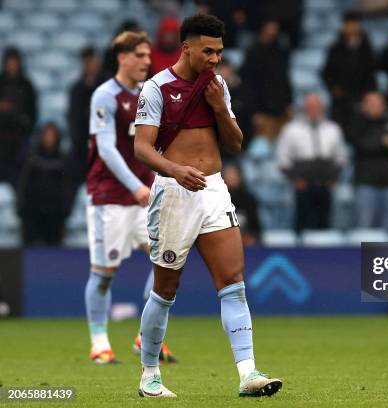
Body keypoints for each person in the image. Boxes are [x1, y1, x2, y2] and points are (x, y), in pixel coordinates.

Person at [134, 14, 282, 398]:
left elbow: (235, 143)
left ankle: (248, 374)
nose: (216, 58)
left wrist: (219, 107)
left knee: (233, 284)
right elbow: (142, 148)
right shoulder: (157, 88)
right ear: (186, 47)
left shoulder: (217, 87)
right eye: (208, 51)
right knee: (165, 290)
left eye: (219, 51)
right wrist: (175, 170)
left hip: (214, 190)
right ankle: (150, 374)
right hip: (173, 193)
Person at [84, 31, 176, 365]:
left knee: (166, 260)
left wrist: (153, 181)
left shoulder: (147, 94)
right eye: (139, 55)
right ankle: (99, 345)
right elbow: (106, 148)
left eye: (148, 56)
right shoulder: (105, 96)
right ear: (122, 57)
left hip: (143, 195)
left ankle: (146, 337)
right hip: (109, 197)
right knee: (104, 274)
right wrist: (134, 185)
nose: (147, 62)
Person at [277, 93, 347, 232]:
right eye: (310, 107)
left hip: (325, 183)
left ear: (322, 108)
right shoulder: (292, 129)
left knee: (324, 221)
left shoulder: (333, 129)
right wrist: (294, 178)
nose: (313, 110)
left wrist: (333, 178)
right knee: (302, 221)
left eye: (316, 107)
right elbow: (282, 156)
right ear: (304, 108)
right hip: (302, 183)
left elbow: (341, 156)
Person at [347, 92, 388, 230]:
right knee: (364, 225)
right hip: (365, 182)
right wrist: (382, 141)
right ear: (364, 106)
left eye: (377, 103)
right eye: (370, 103)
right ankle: (362, 253)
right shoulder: (357, 122)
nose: (374, 107)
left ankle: (383, 253)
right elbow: (360, 145)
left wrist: (379, 143)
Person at [322, 11, 377, 132]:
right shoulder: (335, 49)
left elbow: (371, 74)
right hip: (340, 103)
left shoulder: (367, 49)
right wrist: (334, 89)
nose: (351, 28)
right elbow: (326, 73)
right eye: (348, 24)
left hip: (361, 101)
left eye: (354, 24)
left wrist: (368, 95)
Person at [17, 123, 70, 245]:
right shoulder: (31, 159)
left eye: (52, 135)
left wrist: (65, 211)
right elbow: (24, 185)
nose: (49, 138)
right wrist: (22, 210)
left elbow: (67, 187)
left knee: (54, 252)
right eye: (47, 135)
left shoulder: (63, 160)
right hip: (33, 213)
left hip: (56, 215)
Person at [0, 47, 37, 185]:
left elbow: (32, 114)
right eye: (9, 62)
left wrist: (15, 112)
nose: (12, 65)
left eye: (14, 62)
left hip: (19, 139)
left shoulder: (27, 86)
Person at [68, 46, 103, 185]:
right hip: (83, 144)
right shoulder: (77, 89)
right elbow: (73, 117)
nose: (89, 66)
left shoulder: (108, 85)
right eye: (86, 62)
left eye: (91, 61)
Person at [223, 163, 262, 245]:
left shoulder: (249, 199)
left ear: (240, 176)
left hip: (246, 240)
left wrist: (251, 236)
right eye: (228, 174)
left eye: (234, 174)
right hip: (223, 239)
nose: (231, 177)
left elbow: (256, 225)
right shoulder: (219, 199)